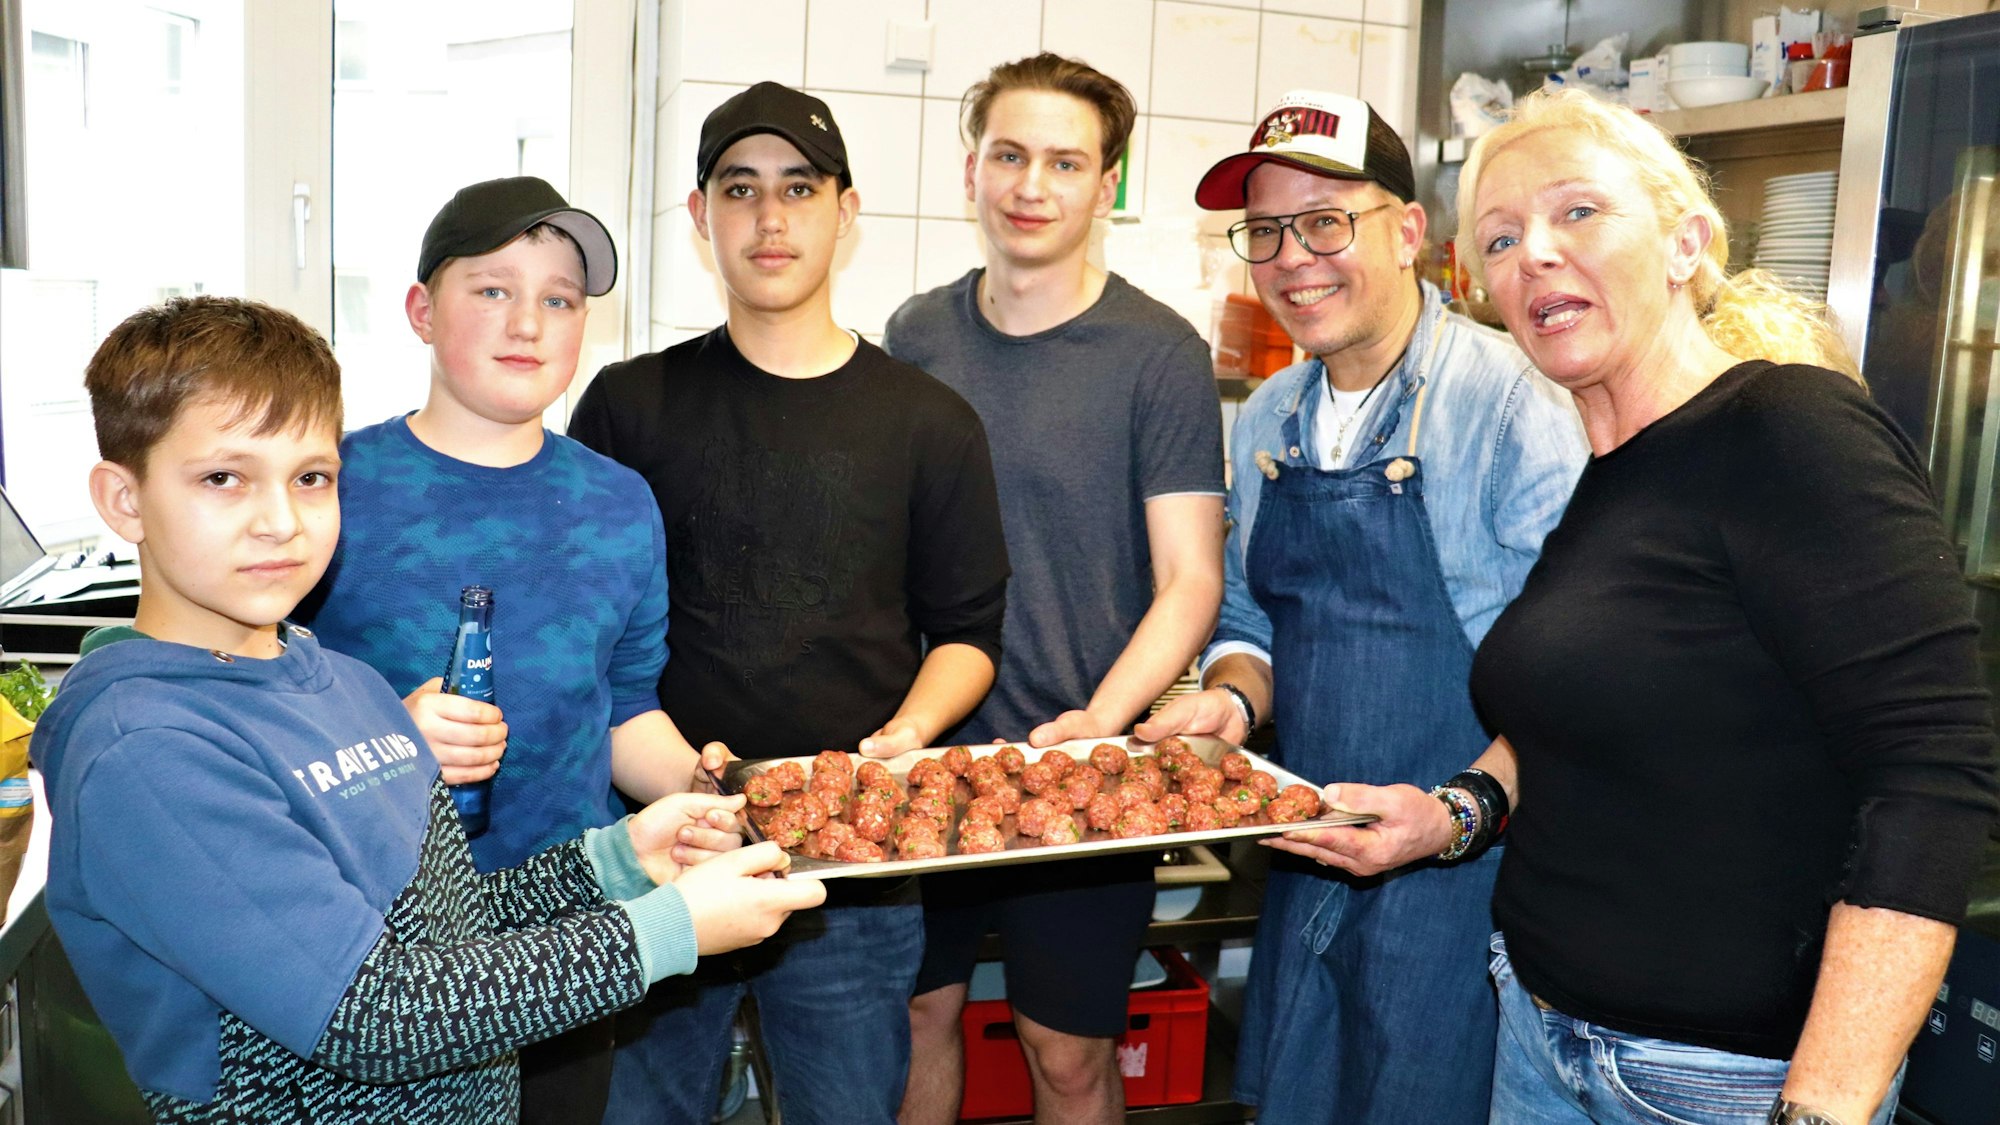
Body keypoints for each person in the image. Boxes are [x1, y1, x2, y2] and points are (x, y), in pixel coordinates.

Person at [1281, 88, 2000, 1125]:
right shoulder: (1608, 472)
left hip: (1719, 1084)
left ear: (1682, 243)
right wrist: (1445, 817)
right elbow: (1592, 723)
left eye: (1575, 212)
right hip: (1538, 1035)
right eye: (1498, 237)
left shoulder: (1785, 429)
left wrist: (1822, 1107)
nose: (1530, 253)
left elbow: (1931, 775)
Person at [36, 295, 824, 1124]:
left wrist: (615, 863)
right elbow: (373, 1010)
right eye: (223, 478)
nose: (280, 522)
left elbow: (442, 926)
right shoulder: (147, 748)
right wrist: (669, 930)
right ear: (124, 501)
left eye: (311, 477)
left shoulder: (345, 682)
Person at [1137, 89, 1589, 1122]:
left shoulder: (1507, 403)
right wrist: (1231, 703)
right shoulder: (1269, 413)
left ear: (1406, 231)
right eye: (1264, 230)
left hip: (1466, 871)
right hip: (1312, 859)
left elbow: (1578, 686)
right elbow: (1250, 622)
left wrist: (1451, 815)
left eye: (1325, 221)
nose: (1293, 257)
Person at [566, 82, 1012, 1125]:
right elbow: (581, 638)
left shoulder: (928, 422)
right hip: (663, 851)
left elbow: (967, 634)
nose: (770, 219)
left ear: (844, 213)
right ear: (698, 217)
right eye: (740, 189)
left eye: (799, 189)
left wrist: (906, 733)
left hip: (849, 873)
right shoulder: (630, 407)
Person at [299, 176, 725, 1124]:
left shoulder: (620, 504)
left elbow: (626, 710)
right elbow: (267, 700)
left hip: (574, 927)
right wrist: (389, 733)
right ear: (420, 310)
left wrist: (710, 793)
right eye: (492, 289)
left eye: (560, 299)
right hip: (380, 944)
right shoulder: (329, 487)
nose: (526, 321)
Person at [884, 53, 1225, 1125]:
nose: (1031, 186)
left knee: (1065, 1055)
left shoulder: (1157, 353)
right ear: (971, 169)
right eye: (1009, 155)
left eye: (1064, 163)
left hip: (1080, 771)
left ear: (1106, 185)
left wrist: (1099, 725)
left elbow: (1188, 579)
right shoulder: (916, 335)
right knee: (916, 1021)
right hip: (928, 760)